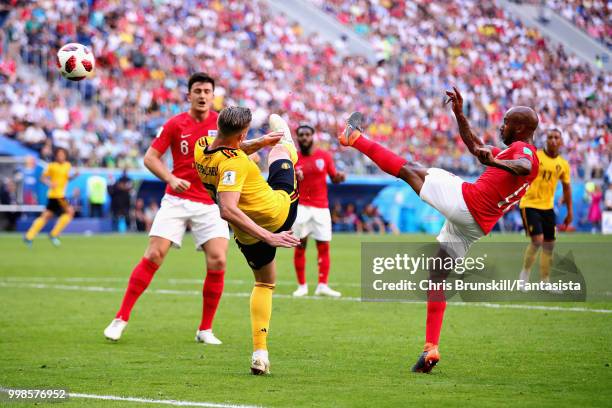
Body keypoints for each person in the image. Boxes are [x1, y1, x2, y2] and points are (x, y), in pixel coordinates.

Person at [336, 87, 539, 373]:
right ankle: (430, 348)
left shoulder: (525, 151)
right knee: (437, 275)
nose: (501, 126)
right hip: (476, 225)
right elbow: (475, 146)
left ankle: (353, 138)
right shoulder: (511, 151)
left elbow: (523, 164)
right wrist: (459, 114)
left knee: (411, 170)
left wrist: (493, 161)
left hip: (468, 203)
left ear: (520, 127)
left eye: (505, 122)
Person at [104, 73, 230, 345]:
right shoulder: (175, 124)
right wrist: (171, 178)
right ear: (188, 95)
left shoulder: (222, 124)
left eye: (207, 91)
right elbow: (150, 158)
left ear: (213, 95)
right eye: (197, 90)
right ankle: (121, 318)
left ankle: (205, 329)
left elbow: (240, 153)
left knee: (219, 259)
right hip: (176, 199)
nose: (202, 95)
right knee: (154, 254)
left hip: (210, 202)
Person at [194, 107, 301, 375]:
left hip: (245, 232)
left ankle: (260, 353)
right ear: (242, 134)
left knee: (264, 282)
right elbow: (226, 209)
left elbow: (233, 150)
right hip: (278, 213)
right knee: (281, 152)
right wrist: (270, 236)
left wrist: (261, 142)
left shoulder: (201, 146)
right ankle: (289, 146)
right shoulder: (236, 163)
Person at [292, 123, 345, 297]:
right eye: (301, 135)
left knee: (324, 246)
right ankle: (302, 286)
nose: (305, 137)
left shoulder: (325, 156)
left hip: (321, 208)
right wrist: (294, 177)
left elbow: (334, 178)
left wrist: (339, 177)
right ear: (297, 138)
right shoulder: (293, 158)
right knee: (300, 246)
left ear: (313, 136)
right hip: (301, 207)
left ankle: (322, 285)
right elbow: (285, 183)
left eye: (307, 134)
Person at [518, 129, 572, 289]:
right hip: (530, 204)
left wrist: (570, 212)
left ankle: (545, 281)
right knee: (537, 241)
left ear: (561, 141)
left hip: (548, 207)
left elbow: (567, 188)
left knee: (549, 244)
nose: (553, 140)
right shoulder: (536, 156)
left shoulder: (563, 164)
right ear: (545, 140)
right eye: (550, 137)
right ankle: (524, 274)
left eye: (557, 137)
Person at [23, 147, 78, 246]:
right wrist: (49, 183)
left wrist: (74, 176)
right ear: (56, 156)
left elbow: (67, 178)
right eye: (59, 154)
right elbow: (42, 178)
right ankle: (53, 234)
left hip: (60, 194)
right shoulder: (52, 166)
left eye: (63, 154)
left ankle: (29, 236)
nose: (61, 156)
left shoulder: (67, 165)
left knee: (46, 216)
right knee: (70, 212)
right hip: (56, 195)